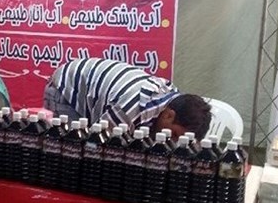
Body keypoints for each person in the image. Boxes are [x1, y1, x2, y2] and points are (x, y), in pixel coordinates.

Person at [43, 57, 211, 141]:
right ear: (168, 115)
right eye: (173, 134)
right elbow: (99, 143)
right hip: (66, 89)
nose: (171, 142)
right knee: (71, 150)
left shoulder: (172, 99)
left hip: (96, 98)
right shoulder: (131, 108)